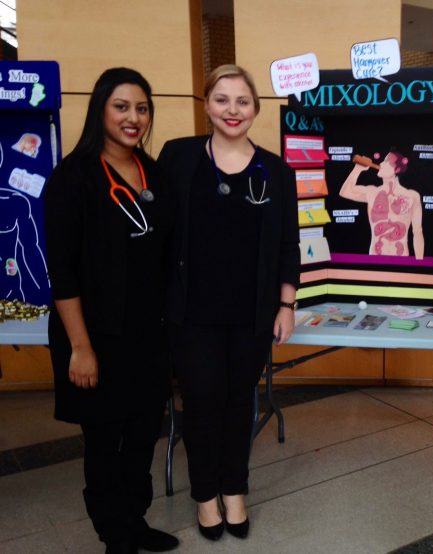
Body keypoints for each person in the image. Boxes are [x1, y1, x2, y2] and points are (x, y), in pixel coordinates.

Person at [158, 64, 300, 542]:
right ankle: (205, 496)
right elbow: (158, 233)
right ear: (206, 105)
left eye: (242, 101)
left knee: (241, 404)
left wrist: (286, 305)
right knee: (201, 403)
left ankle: (235, 490)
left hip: (251, 314)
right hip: (191, 314)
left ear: (256, 108)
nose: (232, 110)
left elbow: (287, 245)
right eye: (222, 99)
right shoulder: (177, 158)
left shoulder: (276, 171)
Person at [44, 68, 177, 554]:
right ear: (100, 108)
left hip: (147, 336)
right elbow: (63, 272)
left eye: (141, 108)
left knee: (143, 434)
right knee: (105, 441)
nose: (133, 118)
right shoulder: (71, 179)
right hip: (95, 336)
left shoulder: (154, 174)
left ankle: (134, 521)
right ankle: (113, 534)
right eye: (122, 107)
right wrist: (80, 348)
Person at [340, 150, 424, 259]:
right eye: (383, 161)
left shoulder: (412, 196)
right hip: (375, 259)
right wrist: (358, 169)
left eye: (387, 161)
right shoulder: (372, 192)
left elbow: (417, 232)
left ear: (397, 169)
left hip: (401, 259)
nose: (381, 164)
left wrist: (419, 262)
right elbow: (344, 192)